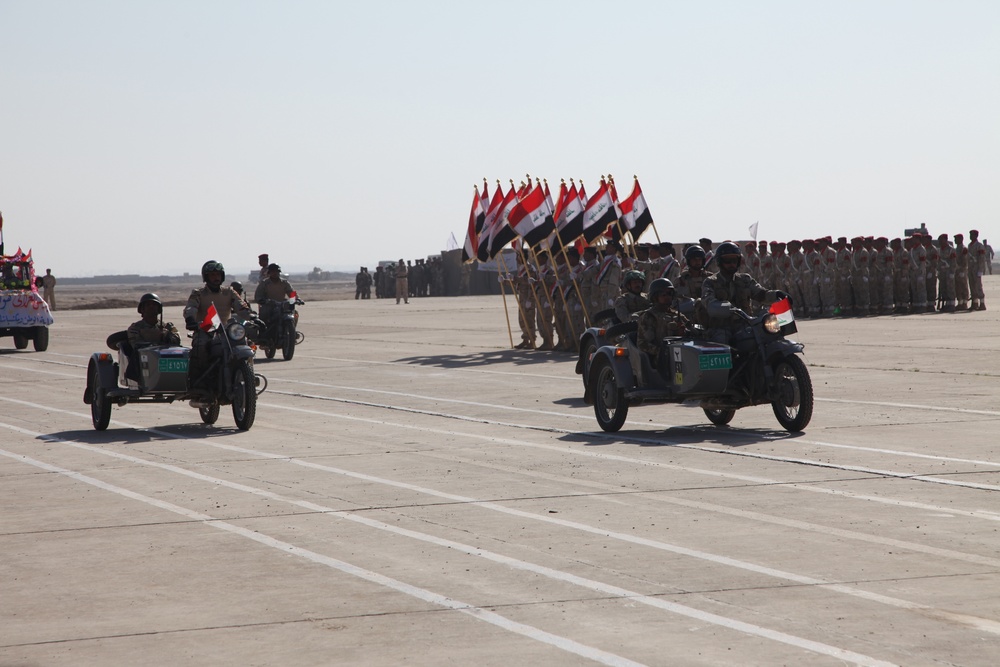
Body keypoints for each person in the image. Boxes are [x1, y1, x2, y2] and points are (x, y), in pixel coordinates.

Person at [701, 242, 787, 343]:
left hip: (745, 325)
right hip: (721, 327)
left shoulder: (745, 279)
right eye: (727, 260)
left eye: (734, 260)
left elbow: (761, 294)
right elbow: (708, 301)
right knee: (722, 339)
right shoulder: (711, 281)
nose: (731, 264)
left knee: (771, 337)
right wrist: (722, 307)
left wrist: (777, 294)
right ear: (720, 261)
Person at [184, 261, 250, 382]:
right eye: (212, 275)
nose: (216, 277)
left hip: (226, 331)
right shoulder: (198, 293)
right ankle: (198, 380)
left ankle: (248, 378)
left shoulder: (229, 292)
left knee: (244, 345)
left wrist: (253, 317)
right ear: (206, 277)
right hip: (205, 329)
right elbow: (191, 307)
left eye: (218, 274)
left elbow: (241, 307)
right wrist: (190, 319)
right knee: (201, 346)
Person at [636, 278, 690, 367]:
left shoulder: (677, 315)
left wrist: (685, 332)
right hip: (661, 359)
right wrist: (661, 351)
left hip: (681, 353)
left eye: (669, 294)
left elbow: (692, 330)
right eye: (663, 294)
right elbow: (642, 344)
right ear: (655, 297)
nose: (667, 297)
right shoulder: (649, 316)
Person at [968, 229, 987, 310]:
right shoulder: (970, 245)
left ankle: (982, 303)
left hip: (976, 267)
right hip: (971, 267)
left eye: (972, 235)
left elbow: (981, 258)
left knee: (978, 286)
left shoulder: (979, 246)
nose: (970, 236)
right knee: (972, 285)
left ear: (976, 236)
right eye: (970, 235)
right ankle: (974, 303)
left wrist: (980, 270)